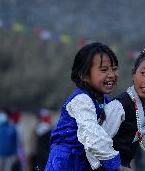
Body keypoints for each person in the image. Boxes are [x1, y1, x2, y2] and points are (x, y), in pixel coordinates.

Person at [88, 48, 145, 170]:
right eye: (143, 73)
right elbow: (95, 145)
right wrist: (117, 167)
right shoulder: (119, 106)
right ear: (133, 73)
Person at [45, 42, 122, 171]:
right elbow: (92, 135)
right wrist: (115, 165)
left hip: (84, 164)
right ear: (84, 75)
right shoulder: (81, 100)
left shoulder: (106, 101)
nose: (111, 75)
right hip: (66, 163)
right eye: (104, 70)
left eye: (114, 69)